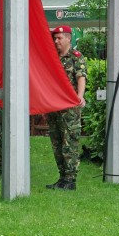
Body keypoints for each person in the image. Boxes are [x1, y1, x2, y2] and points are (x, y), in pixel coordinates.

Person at [46, 26, 87, 191]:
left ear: (68, 39)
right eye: (55, 38)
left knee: (69, 143)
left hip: (69, 109)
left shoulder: (76, 57)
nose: (56, 41)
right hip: (54, 107)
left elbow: (81, 77)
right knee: (56, 142)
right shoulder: (53, 57)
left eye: (59, 38)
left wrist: (80, 96)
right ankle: (62, 177)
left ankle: (70, 179)